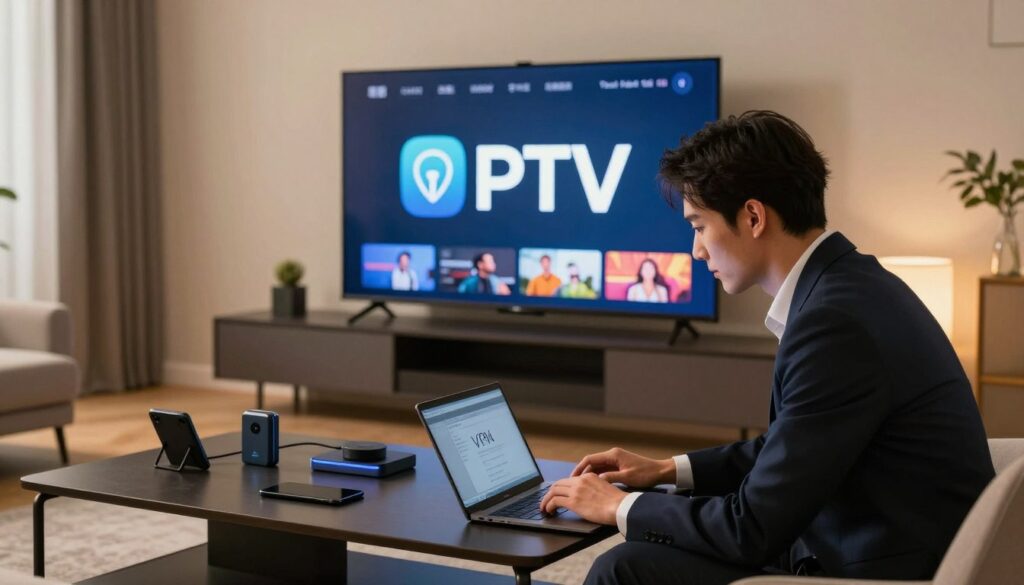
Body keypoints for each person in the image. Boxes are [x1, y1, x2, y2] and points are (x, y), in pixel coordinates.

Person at [539, 111, 993, 584]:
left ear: (753, 217)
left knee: (626, 567)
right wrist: (664, 471)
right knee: (652, 536)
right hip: (870, 536)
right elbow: (794, 449)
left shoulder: (832, 324)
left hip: (874, 569)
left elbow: (751, 529)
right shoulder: (855, 284)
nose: (696, 251)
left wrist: (618, 505)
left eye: (698, 225)